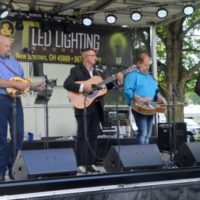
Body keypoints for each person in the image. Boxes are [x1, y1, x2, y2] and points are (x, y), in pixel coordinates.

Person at [63, 48, 123, 174]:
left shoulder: (97, 72)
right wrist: (82, 87)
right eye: (93, 55)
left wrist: (118, 81)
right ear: (85, 57)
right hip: (83, 106)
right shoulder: (76, 70)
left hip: (96, 107)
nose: (95, 57)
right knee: (82, 136)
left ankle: (90, 163)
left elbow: (106, 86)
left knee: (93, 136)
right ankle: (80, 164)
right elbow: (67, 84)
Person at [0, 35, 43, 181]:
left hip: (15, 100)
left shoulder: (14, 62)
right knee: (0, 137)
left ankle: (13, 169)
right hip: (0, 100)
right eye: (6, 46)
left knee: (18, 134)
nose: (9, 48)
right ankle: (0, 172)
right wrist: (14, 84)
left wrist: (33, 87)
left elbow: (22, 84)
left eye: (9, 45)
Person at [124, 53, 167, 145]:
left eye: (149, 65)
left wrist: (159, 96)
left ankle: (145, 155)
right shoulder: (131, 75)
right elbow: (127, 90)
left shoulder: (150, 77)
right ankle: (140, 156)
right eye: (146, 65)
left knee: (148, 134)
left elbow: (155, 90)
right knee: (143, 132)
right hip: (139, 107)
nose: (148, 67)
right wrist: (138, 98)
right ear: (139, 63)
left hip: (150, 107)